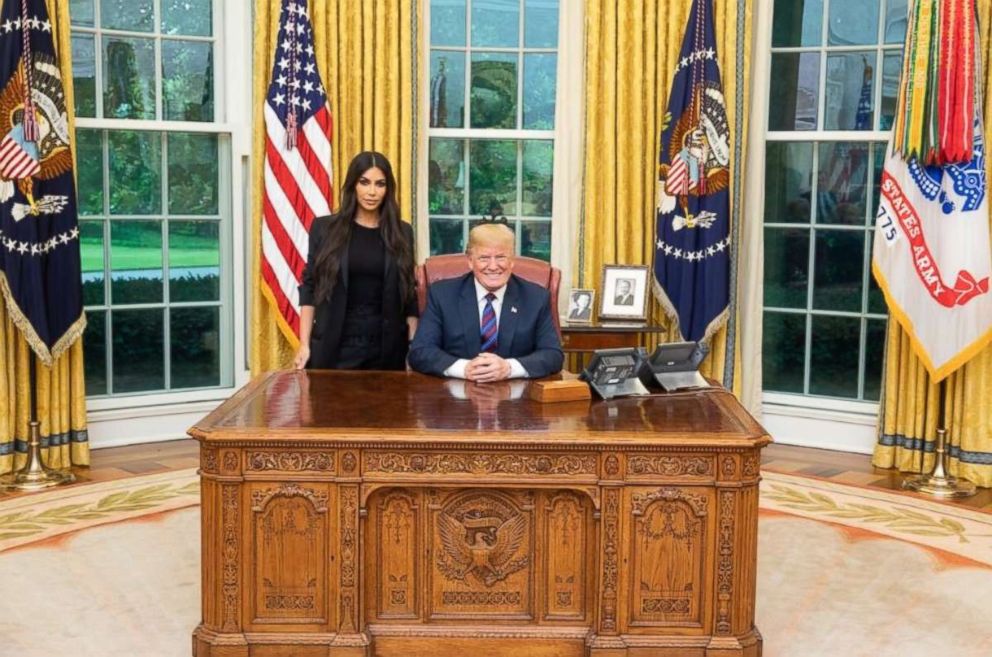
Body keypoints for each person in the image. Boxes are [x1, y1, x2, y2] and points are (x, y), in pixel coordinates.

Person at [293, 151, 417, 370]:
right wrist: (304, 344)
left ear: (388, 190)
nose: (372, 192)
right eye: (364, 182)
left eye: (380, 184)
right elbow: (310, 287)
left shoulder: (402, 231)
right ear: (353, 185)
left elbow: (409, 295)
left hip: (387, 349)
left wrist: (412, 347)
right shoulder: (324, 229)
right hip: (334, 345)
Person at [408, 223, 563, 381]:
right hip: (455, 394)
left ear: (512, 260)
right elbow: (420, 351)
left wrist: (509, 368)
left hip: (518, 396)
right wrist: (464, 368)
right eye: (484, 258)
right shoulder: (442, 294)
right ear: (470, 261)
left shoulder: (536, 297)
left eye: (501, 257)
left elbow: (553, 355)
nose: (493, 266)